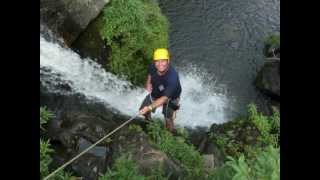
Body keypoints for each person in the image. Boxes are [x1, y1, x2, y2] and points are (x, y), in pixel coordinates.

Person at [139, 48, 182, 133]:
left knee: (168, 120)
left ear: (168, 61)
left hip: (171, 97)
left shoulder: (172, 78)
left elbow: (164, 99)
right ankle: (149, 123)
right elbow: (150, 73)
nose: (160, 64)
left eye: (163, 61)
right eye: (157, 61)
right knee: (143, 111)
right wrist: (148, 83)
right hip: (157, 90)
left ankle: (171, 134)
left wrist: (150, 107)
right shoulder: (153, 66)